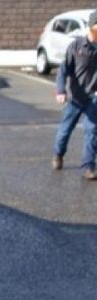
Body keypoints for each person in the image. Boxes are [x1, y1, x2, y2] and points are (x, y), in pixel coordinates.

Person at [52, 9, 97, 180]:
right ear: (92, 27)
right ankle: (58, 154)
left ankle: (88, 166)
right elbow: (63, 71)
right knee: (65, 130)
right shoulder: (76, 46)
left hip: (93, 98)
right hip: (75, 97)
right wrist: (61, 90)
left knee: (92, 131)